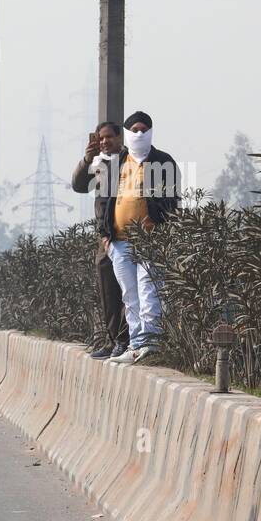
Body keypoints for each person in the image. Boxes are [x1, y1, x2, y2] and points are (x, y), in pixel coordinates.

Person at [104, 111, 178, 365]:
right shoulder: (116, 163)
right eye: (134, 129)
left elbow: (172, 200)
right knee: (130, 294)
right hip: (120, 242)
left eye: (144, 129)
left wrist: (163, 229)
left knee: (150, 291)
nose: (139, 134)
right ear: (126, 132)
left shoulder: (162, 162)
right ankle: (136, 344)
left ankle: (151, 343)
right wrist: (106, 236)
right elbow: (105, 201)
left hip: (150, 240)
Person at [72, 121, 131, 360]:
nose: (105, 142)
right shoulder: (98, 164)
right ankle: (114, 340)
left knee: (130, 292)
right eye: (100, 138)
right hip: (105, 240)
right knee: (108, 291)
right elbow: (78, 186)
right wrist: (87, 160)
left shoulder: (131, 161)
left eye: (109, 137)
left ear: (120, 138)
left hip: (127, 236)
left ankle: (128, 341)